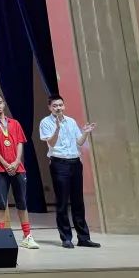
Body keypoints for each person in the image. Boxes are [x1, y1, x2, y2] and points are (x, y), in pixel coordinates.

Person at [39, 93, 99, 248]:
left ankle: (83, 237)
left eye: (60, 105)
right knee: (62, 201)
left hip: (75, 162)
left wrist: (85, 132)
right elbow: (51, 143)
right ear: (50, 107)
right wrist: (57, 128)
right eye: (55, 106)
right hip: (59, 163)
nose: (58, 108)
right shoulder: (46, 122)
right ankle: (66, 238)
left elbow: (79, 142)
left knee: (78, 201)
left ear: (64, 106)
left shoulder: (71, 121)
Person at [0, 92, 39, 249]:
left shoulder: (14, 123)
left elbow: (20, 142)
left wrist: (16, 162)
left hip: (17, 168)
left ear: (4, 103)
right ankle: (1, 237)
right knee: (1, 203)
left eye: (0, 102)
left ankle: (27, 236)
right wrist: (5, 163)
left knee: (22, 202)